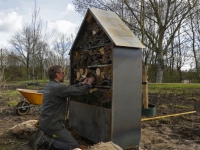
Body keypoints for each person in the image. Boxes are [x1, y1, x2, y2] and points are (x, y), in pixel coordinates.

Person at [32, 65, 94, 150]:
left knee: (64, 140)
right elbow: (78, 92)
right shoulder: (58, 87)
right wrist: (88, 85)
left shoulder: (50, 85)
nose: (64, 74)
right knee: (73, 145)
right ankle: (46, 140)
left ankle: (45, 135)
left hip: (45, 122)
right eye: (62, 72)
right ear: (57, 74)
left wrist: (82, 83)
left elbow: (68, 89)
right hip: (53, 125)